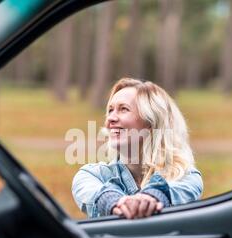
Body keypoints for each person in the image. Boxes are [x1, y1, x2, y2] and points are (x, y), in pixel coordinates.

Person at [72, 78, 203, 219]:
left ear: (151, 123)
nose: (110, 118)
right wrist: (114, 202)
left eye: (123, 109)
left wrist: (155, 196)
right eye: (110, 110)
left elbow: (180, 190)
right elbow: (92, 191)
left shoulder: (185, 176)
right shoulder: (92, 175)